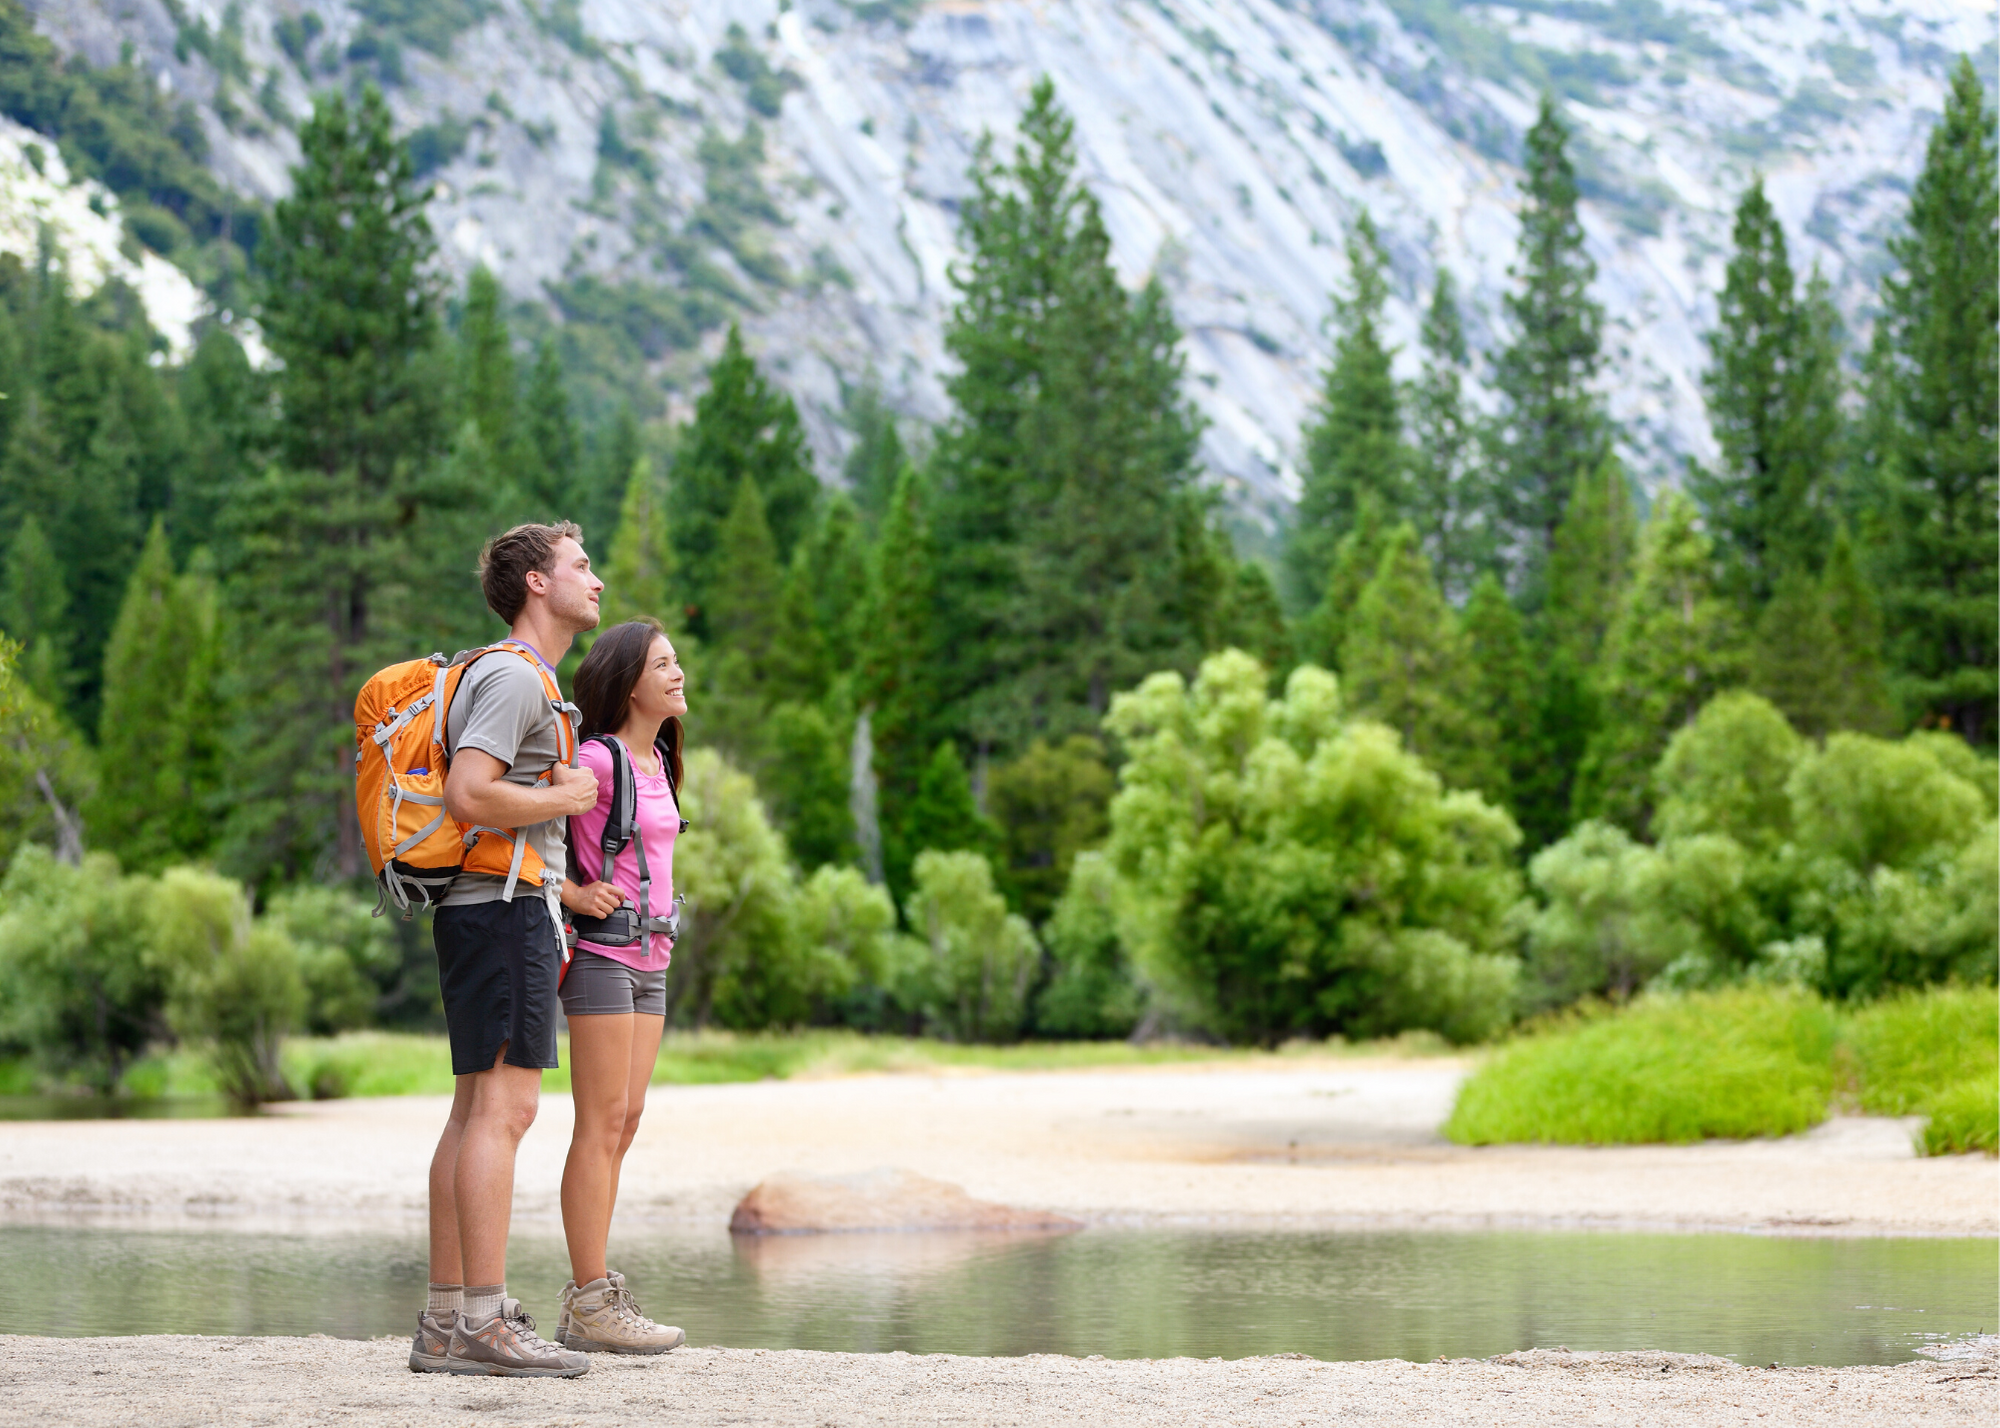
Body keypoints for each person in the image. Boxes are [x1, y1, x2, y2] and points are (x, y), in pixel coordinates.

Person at [409, 522, 602, 1379]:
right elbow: (468, 794)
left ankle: (447, 1320)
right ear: (535, 583)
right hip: (503, 910)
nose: (595, 580)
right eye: (580, 565)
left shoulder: (518, 678)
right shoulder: (518, 679)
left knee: (473, 1112)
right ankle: (482, 1320)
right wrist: (565, 792)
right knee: (506, 1112)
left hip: (486, 912)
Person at [553, 618, 688, 1354]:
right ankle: (590, 1298)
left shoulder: (661, 761)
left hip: (653, 958)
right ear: (629, 682)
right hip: (603, 956)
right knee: (600, 1124)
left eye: (677, 662)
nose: (678, 674)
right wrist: (573, 895)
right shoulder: (597, 761)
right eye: (663, 664)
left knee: (626, 1120)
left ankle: (593, 1299)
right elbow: (520, 827)